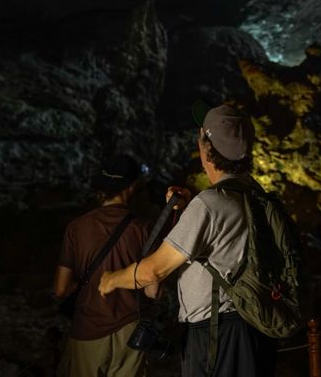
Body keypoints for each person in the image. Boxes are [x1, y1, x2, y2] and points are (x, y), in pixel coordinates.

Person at [98, 104, 277, 377]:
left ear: (207, 150)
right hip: (256, 325)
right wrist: (189, 208)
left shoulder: (209, 204)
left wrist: (110, 279)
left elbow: (152, 271)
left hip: (218, 332)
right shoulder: (255, 194)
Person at [53, 154, 155, 377]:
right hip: (130, 332)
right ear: (131, 186)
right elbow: (152, 290)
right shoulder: (144, 228)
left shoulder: (76, 228)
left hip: (87, 329)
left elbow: (60, 289)